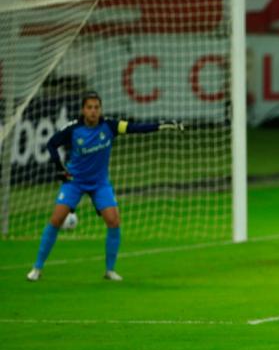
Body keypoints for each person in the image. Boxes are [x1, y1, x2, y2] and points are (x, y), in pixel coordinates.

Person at [26, 91, 183, 282]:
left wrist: (160, 125)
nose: (93, 111)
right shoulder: (74, 129)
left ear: (100, 109)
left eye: (96, 108)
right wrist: (60, 169)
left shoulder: (110, 126)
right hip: (74, 182)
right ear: (83, 110)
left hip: (100, 183)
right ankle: (37, 268)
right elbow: (51, 144)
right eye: (89, 107)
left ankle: (110, 271)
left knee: (114, 221)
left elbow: (136, 128)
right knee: (56, 219)